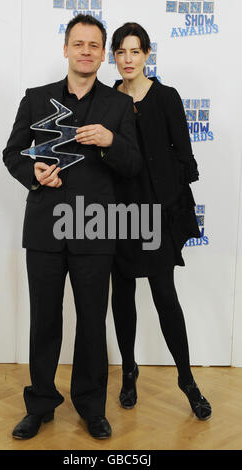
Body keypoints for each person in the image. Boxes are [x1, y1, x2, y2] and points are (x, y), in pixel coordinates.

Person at [3, 15, 141, 440]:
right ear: (65, 49)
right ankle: (41, 404)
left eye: (94, 45)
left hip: (96, 229)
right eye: (77, 44)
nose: (85, 51)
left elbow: (134, 164)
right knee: (44, 319)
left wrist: (110, 142)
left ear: (103, 54)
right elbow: (12, 154)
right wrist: (35, 170)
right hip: (45, 227)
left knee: (91, 323)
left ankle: (91, 407)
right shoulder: (36, 98)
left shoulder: (118, 106)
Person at [110, 22, 211, 421]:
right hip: (116, 217)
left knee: (165, 298)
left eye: (135, 51)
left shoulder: (166, 97)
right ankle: (129, 372)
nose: (128, 59)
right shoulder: (106, 99)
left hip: (156, 214)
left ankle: (187, 381)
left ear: (147, 54)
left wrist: (165, 202)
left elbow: (186, 159)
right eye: (121, 52)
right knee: (122, 298)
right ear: (113, 57)